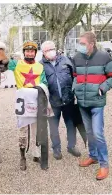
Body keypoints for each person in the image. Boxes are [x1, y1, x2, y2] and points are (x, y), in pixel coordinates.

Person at [73, 31, 112, 180]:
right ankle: (93, 156)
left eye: (82, 43)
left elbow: (111, 78)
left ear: (91, 44)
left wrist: (102, 88)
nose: (80, 46)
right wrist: (74, 88)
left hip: (97, 102)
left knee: (98, 134)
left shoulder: (104, 57)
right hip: (83, 103)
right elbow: (75, 76)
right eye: (79, 43)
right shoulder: (77, 57)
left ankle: (104, 165)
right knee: (89, 132)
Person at [8, 40, 48, 170]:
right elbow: (2, 63)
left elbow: (44, 83)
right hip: (23, 102)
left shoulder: (40, 66)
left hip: (36, 101)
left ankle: (36, 154)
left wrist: (40, 88)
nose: (29, 53)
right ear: (24, 52)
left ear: (35, 53)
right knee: (23, 130)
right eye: (27, 51)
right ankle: (22, 157)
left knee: (37, 129)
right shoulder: (16, 64)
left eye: (32, 51)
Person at [40, 41, 81, 160]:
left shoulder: (66, 60)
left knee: (71, 124)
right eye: (47, 50)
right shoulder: (40, 65)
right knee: (53, 127)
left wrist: (74, 92)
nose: (50, 51)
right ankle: (56, 148)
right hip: (52, 102)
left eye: (51, 49)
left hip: (68, 99)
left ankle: (71, 146)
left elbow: (75, 77)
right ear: (43, 52)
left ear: (56, 49)